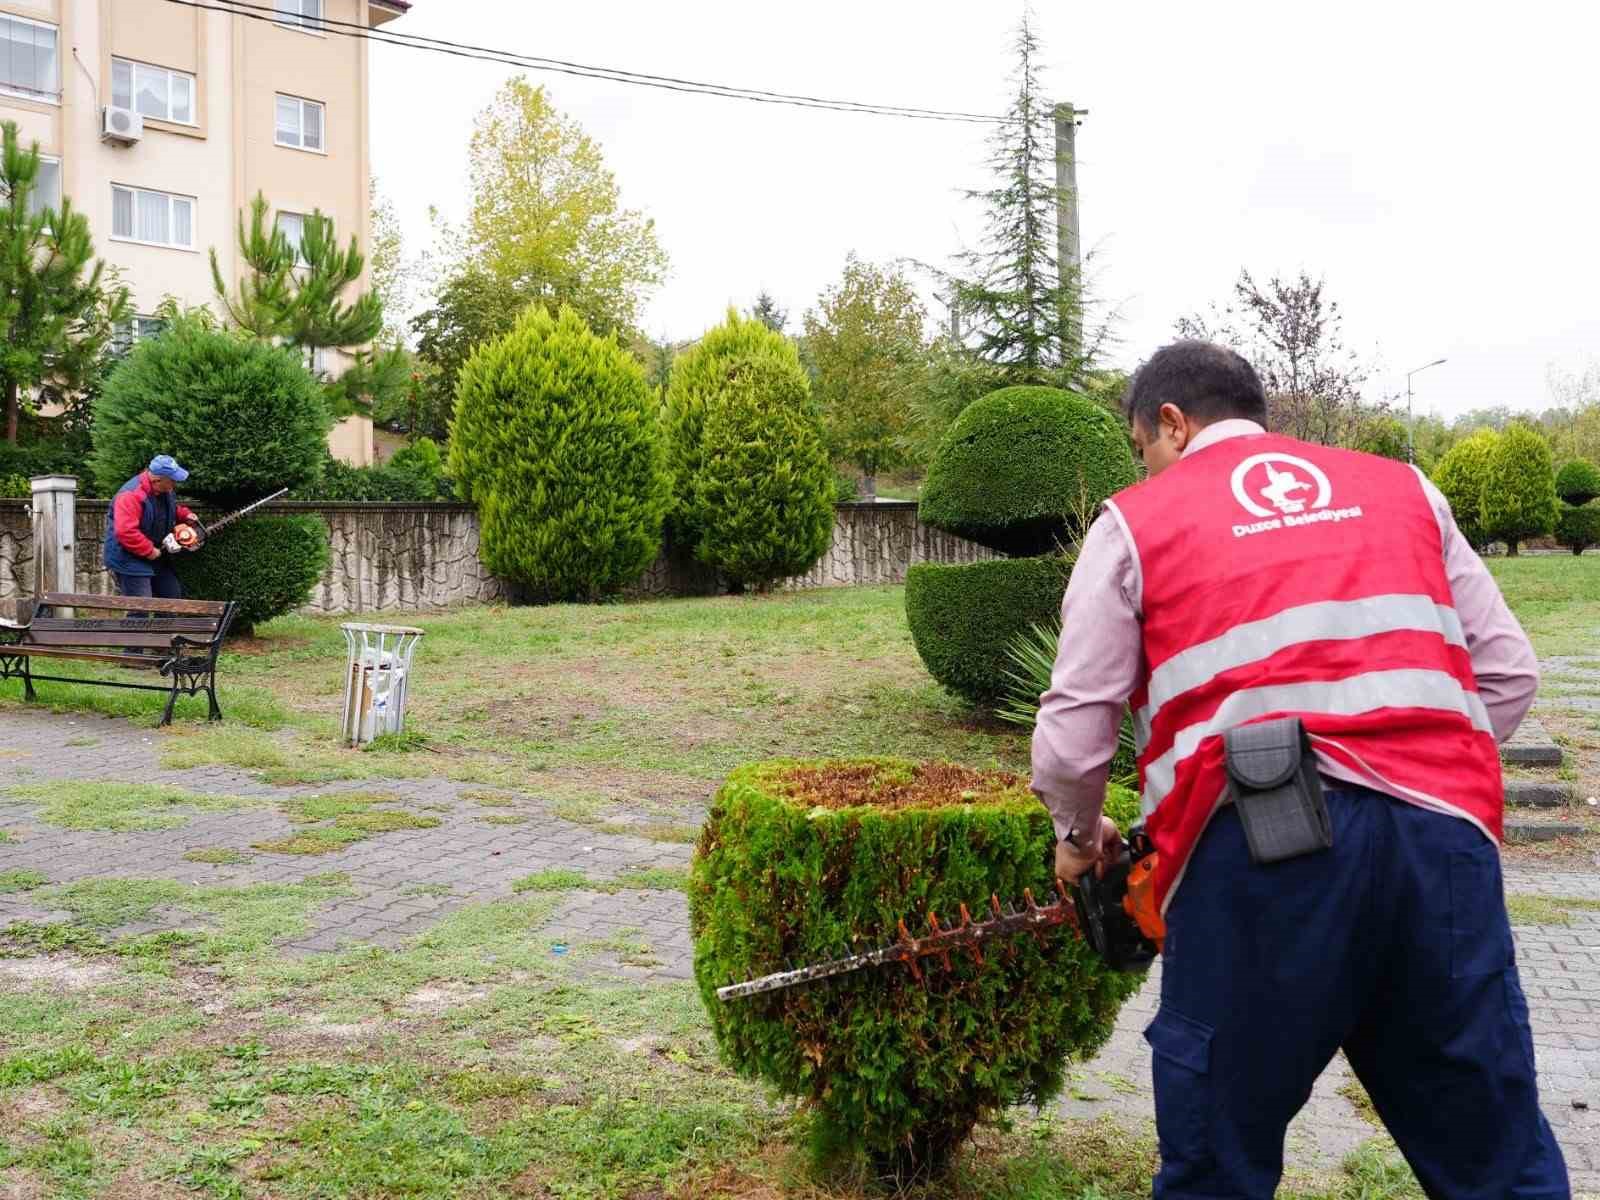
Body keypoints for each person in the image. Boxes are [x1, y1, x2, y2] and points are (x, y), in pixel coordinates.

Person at [1032, 341, 1569, 1199]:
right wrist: (1419, 766)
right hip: (1441, 848)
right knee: (1493, 1158)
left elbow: (1071, 735)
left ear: (1171, 421)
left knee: (1218, 1163)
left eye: (1144, 447)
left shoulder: (1134, 524)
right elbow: (1508, 673)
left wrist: (1075, 835)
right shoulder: (1407, 489)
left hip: (1258, 853)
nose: (1148, 467)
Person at [104, 454, 204, 600]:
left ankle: (163, 623)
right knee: (140, 609)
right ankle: (137, 623)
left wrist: (185, 515)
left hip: (156, 554)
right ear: (157, 480)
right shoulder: (130, 496)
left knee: (171, 600)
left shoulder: (164, 490)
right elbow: (126, 532)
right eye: (173, 480)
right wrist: (149, 550)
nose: (175, 483)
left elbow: (170, 509)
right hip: (128, 558)